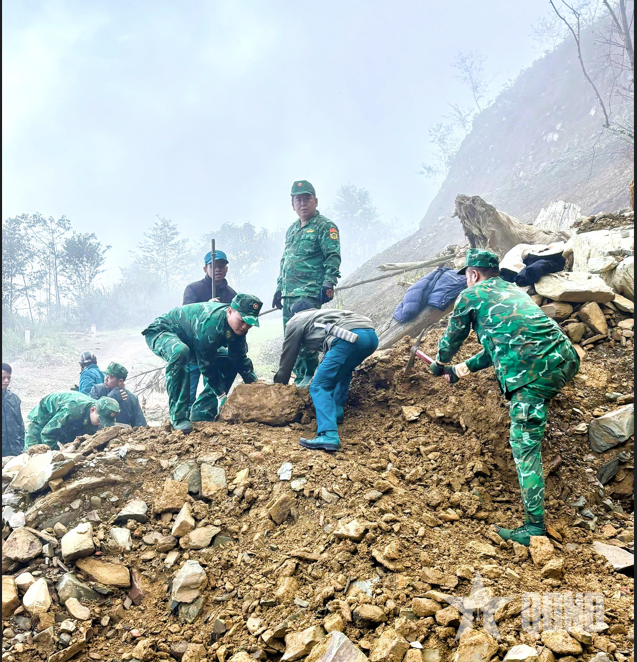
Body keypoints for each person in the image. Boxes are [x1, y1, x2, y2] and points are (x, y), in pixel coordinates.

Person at [429, 249, 580, 547]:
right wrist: (459, 370)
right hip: (565, 358)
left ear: (473, 274)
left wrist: (439, 362)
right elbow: (498, 347)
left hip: (532, 373)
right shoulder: (512, 291)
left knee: (524, 446)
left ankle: (534, 528)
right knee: (531, 422)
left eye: (467, 276)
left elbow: (452, 339)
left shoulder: (471, 296)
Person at [142, 293, 262, 433]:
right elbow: (206, 366)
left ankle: (202, 413)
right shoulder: (211, 324)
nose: (245, 327)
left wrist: (255, 384)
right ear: (230, 311)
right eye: (242, 321)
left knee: (229, 360)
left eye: (250, 324)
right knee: (180, 352)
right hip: (162, 331)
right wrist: (221, 395)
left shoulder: (238, 328)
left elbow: (239, 358)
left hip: (192, 342)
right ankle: (178, 417)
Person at [274, 301, 378, 452]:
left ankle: (328, 434)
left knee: (319, 386)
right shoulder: (322, 315)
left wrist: (280, 384)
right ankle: (336, 413)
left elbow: (288, 355)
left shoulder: (295, 320)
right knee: (344, 370)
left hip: (347, 337)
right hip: (371, 337)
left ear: (294, 314)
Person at [272, 180, 342, 386]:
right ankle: (299, 377)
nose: (302, 203)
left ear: (315, 201)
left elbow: (332, 256)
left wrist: (329, 282)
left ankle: (309, 378)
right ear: (292, 204)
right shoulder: (292, 230)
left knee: (306, 337)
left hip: (309, 292)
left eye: (307, 199)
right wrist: (279, 287)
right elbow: (285, 260)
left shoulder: (325, 226)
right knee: (290, 338)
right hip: (289, 293)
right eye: (298, 200)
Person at [183, 250, 238, 407]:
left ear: (226, 269)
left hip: (214, 349)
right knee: (188, 392)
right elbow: (186, 316)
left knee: (213, 387)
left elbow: (233, 325)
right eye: (213, 266)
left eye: (221, 266)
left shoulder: (232, 295)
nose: (218, 269)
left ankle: (206, 411)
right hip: (192, 348)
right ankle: (186, 416)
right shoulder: (193, 289)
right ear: (205, 269)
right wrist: (206, 307)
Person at [25, 393, 120, 450]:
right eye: (100, 420)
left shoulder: (98, 410)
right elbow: (47, 434)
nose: (100, 424)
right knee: (33, 452)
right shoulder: (72, 410)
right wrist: (58, 452)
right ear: (92, 409)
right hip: (41, 418)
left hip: (66, 420)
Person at [90, 362, 147, 428]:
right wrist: (110, 399)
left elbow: (140, 425)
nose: (105, 379)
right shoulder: (97, 390)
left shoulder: (131, 398)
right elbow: (91, 413)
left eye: (110, 377)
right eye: (106, 375)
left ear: (120, 381)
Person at [2, 363, 25, 457]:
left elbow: (20, 424)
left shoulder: (14, 399)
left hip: (14, 451)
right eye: (3, 378)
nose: (6, 381)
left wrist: (22, 445)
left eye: (8, 378)